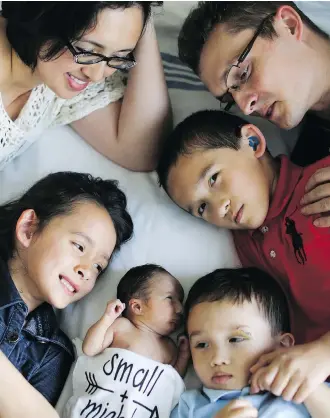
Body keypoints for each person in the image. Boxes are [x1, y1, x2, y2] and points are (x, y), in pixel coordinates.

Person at [157, 109, 330, 405]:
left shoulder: (321, 187)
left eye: (214, 179)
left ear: (252, 142)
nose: (218, 208)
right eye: (201, 208)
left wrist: (323, 352)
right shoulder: (247, 243)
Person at [178, 1, 330, 227]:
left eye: (243, 74)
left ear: (288, 25)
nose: (246, 107)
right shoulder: (308, 175)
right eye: (230, 100)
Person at [0, 171, 133, 406]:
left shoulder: (52, 354)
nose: (86, 271)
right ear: (29, 228)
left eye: (98, 266)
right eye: (80, 246)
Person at [0, 1, 169, 172]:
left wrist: (143, 10)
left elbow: (139, 152)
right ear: (41, 16)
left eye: (119, 56)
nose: (95, 75)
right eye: (86, 50)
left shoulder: (52, 84)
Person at [172, 268, 330, 418]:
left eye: (235, 339)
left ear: (282, 345)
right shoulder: (189, 406)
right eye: (202, 345)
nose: (217, 359)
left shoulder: (305, 388)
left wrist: (308, 387)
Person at [64, 264, 190, 418]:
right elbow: (90, 349)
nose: (180, 309)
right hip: (99, 409)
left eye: (180, 301)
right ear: (137, 306)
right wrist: (107, 318)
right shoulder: (122, 327)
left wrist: (183, 355)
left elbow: (172, 382)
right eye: (170, 299)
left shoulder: (170, 347)